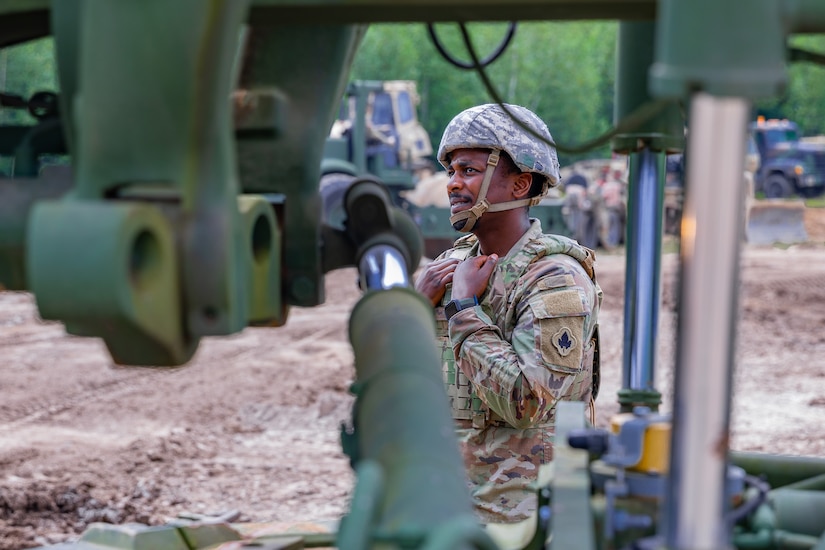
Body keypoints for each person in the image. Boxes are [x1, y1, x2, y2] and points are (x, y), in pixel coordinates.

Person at [414, 103, 602, 523]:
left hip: (520, 515)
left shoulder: (555, 279)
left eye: (469, 171)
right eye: (451, 172)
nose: (452, 184)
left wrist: (463, 308)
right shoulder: (451, 265)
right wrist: (414, 306)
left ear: (519, 186)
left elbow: (525, 403)